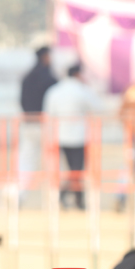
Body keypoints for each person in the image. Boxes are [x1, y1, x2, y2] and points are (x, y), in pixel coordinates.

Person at [43, 62, 102, 210]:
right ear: (78, 74)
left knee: (73, 170)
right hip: (78, 138)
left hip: (60, 137)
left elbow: (48, 113)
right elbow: (98, 107)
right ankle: (73, 198)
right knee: (77, 171)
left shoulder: (55, 90)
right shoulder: (82, 90)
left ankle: (71, 198)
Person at [20, 46, 56, 114]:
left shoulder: (28, 77)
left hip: (30, 116)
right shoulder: (46, 77)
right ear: (44, 57)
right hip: (43, 116)